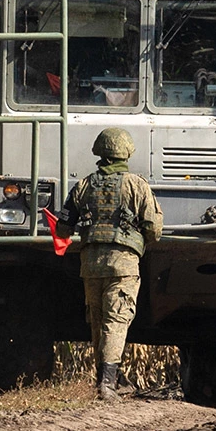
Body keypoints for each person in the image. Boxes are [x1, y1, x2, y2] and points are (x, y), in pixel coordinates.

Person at [55, 128, 162, 400]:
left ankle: (102, 381)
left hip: (90, 264)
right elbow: (154, 230)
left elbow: (64, 229)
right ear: (126, 152)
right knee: (116, 320)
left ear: (99, 152)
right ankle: (108, 385)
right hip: (123, 265)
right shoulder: (137, 185)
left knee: (98, 320)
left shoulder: (84, 185)